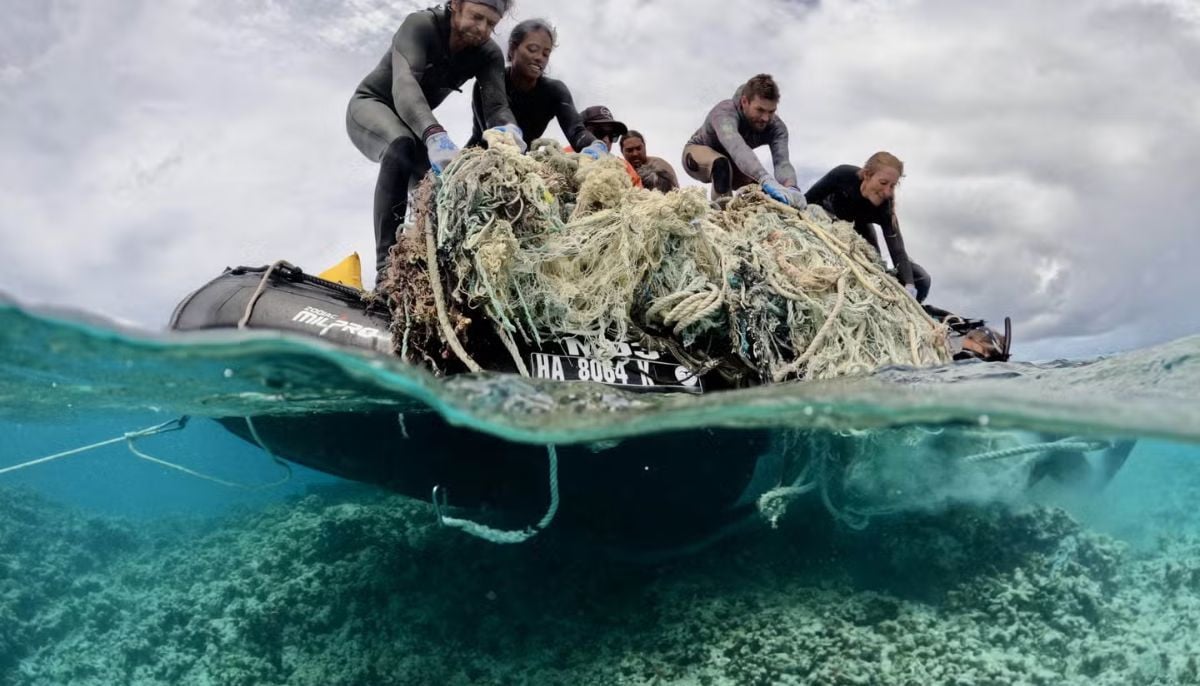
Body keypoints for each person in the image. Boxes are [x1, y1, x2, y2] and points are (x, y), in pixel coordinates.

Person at [346, 0, 523, 282]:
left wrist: (510, 130)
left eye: (491, 24)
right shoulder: (420, 25)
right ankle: (386, 273)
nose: (482, 29)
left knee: (441, 193)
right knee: (400, 145)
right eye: (477, 17)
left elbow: (496, 106)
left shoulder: (487, 53)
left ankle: (427, 272)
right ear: (455, 4)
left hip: (417, 127)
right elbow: (404, 84)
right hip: (374, 106)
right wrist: (434, 134)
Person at [466, 19, 606, 159]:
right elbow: (495, 131)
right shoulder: (491, 82)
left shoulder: (554, 91)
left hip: (521, 159)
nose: (540, 58)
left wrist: (595, 145)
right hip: (481, 155)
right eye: (532, 49)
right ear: (512, 49)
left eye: (546, 54)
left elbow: (577, 132)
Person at [805, 152, 931, 302]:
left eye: (893, 186)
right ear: (867, 175)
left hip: (860, 229)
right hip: (827, 217)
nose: (887, 192)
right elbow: (807, 199)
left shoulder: (885, 207)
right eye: (883, 183)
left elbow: (897, 251)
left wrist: (910, 284)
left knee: (922, 278)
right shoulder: (843, 175)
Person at [682, 74, 806, 207]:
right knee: (722, 164)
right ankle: (722, 216)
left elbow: (782, 163)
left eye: (771, 111)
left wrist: (792, 188)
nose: (765, 118)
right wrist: (764, 178)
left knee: (760, 192)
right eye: (760, 110)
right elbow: (736, 146)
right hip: (698, 154)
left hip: (736, 164)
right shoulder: (724, 112)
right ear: (744, 101)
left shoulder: (777, 127)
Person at [575, 105, 643, 188]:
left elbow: (640, 196)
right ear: (582, 133)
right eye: (599, 133)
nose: (606, 140)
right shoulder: (562, 157)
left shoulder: (624, 167)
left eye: (612, 135)